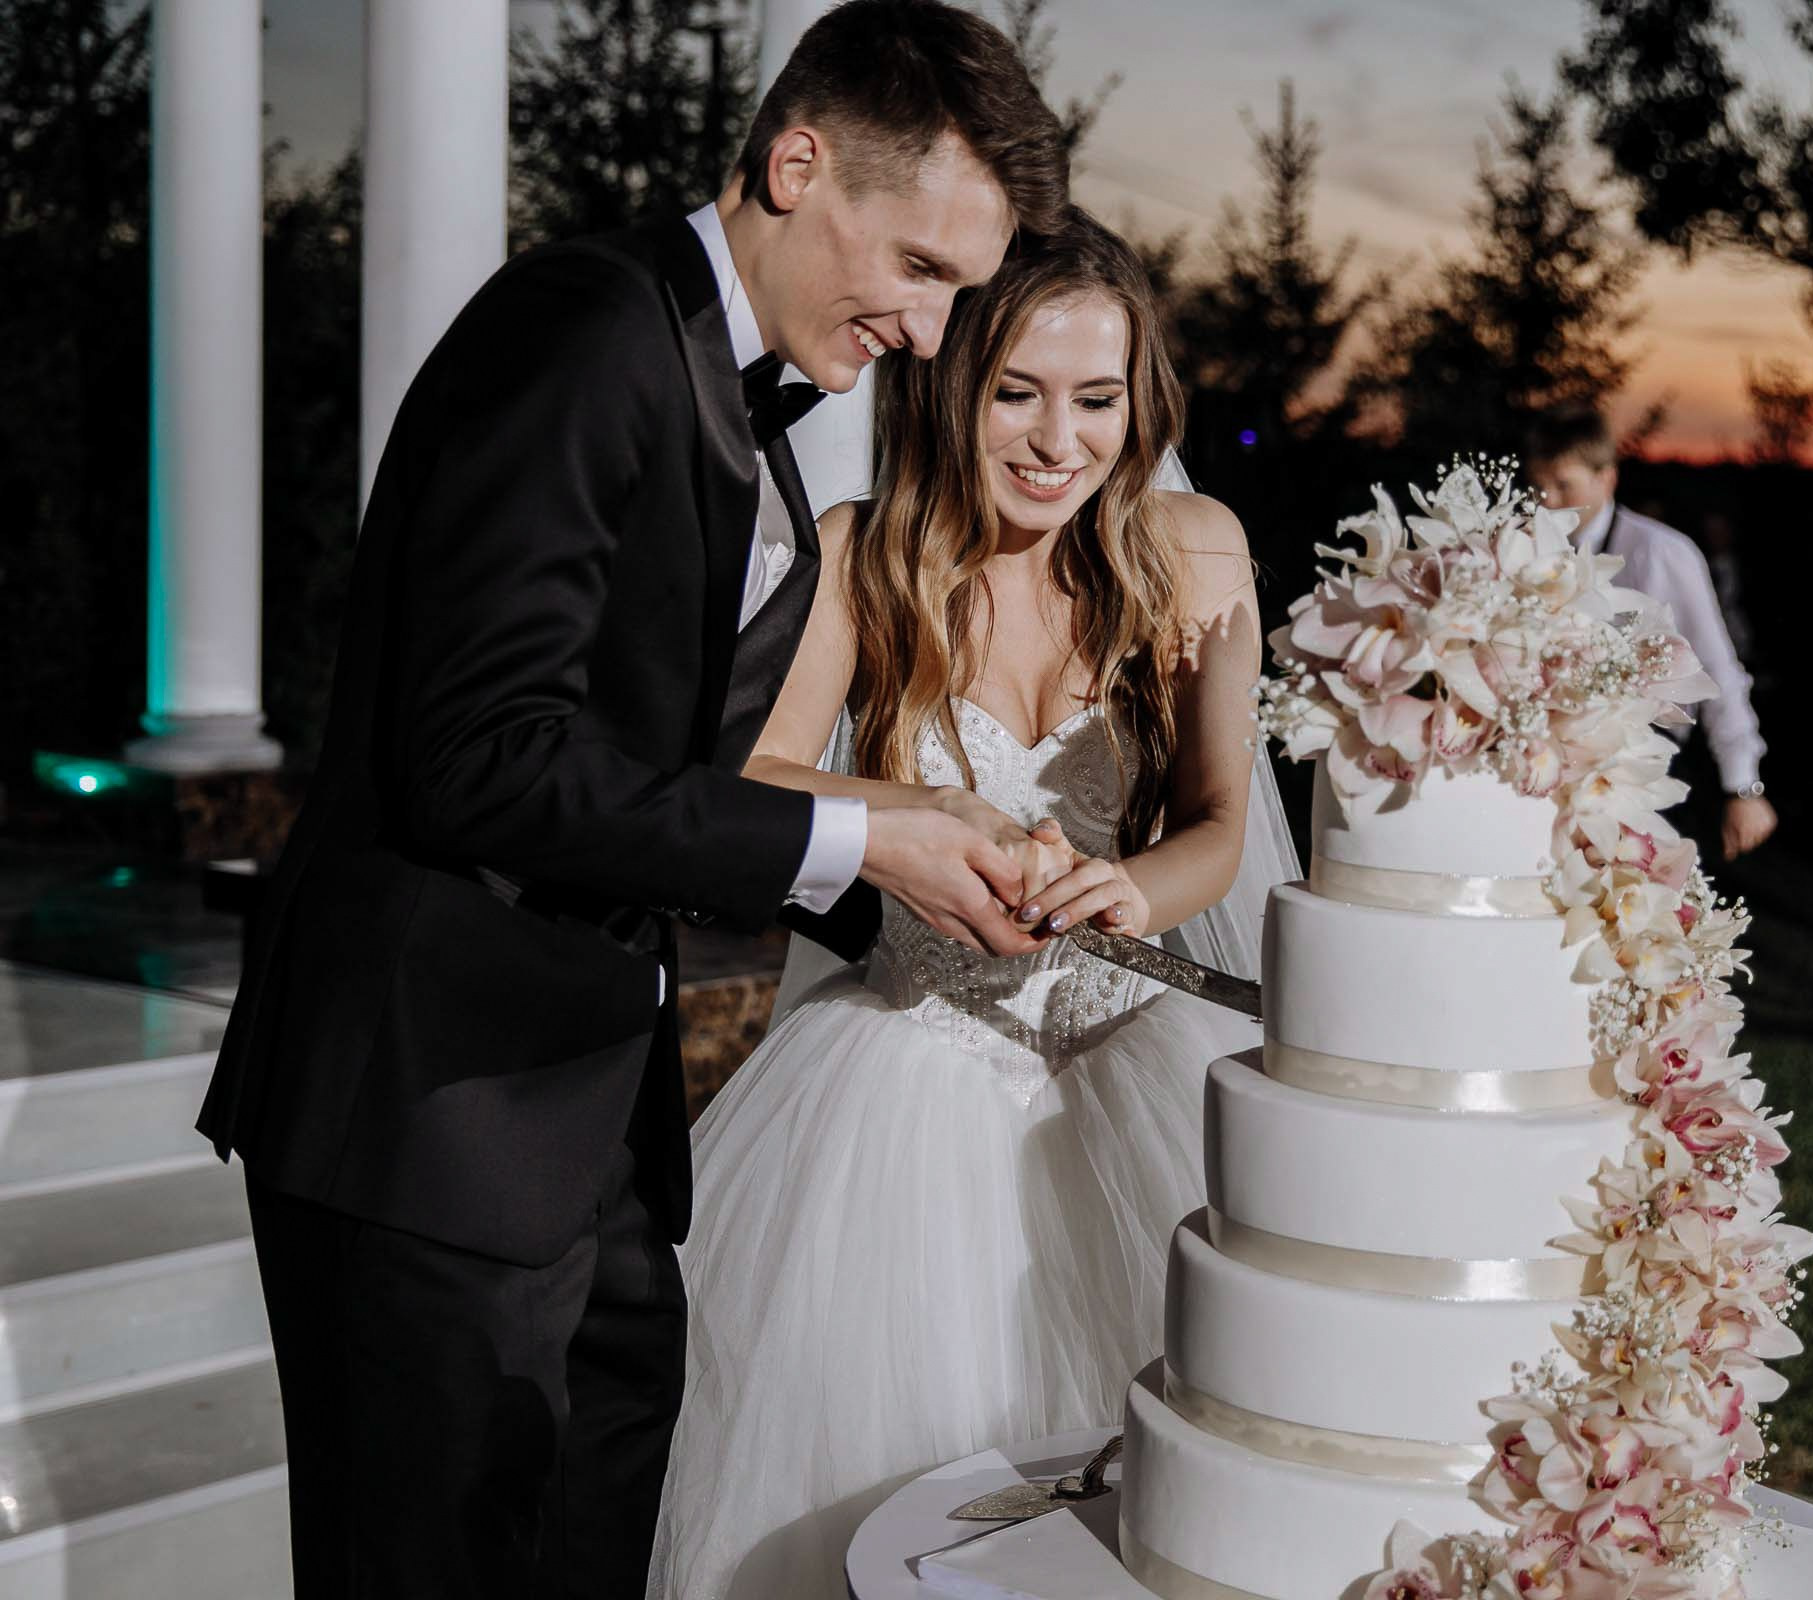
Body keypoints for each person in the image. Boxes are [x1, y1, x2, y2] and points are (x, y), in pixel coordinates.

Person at [194, 5, 1070, 1593]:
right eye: (925, 271)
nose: (938, 335)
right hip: (430, 1113)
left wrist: (898, 875)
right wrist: (866, 834)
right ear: (798, 164)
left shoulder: (741, 393)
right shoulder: (584, 327)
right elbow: (478, 755)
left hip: (578, 1126)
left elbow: (658, 766)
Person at [646, 212, 1270, 1599]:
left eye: (1097, 400)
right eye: (1018, 393)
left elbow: (1224, 820)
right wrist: (912, 825)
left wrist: (1131, 885)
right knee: (886, 1492)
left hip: (1133, 1064)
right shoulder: (867, 556)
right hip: (904, 1087)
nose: (1060, 440)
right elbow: (750, 770)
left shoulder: (1194, 550)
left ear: (1139, 404)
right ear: (950, 385)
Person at [1523, 409, 1778, 863]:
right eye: (1538, 485)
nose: (1547, 501)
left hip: (1656, 768)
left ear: (1607, 479)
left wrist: (1744, 784)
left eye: (1564, 485)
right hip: (1549, 769)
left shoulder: (1663, 552)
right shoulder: (1525, 550)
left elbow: (1717, 667)